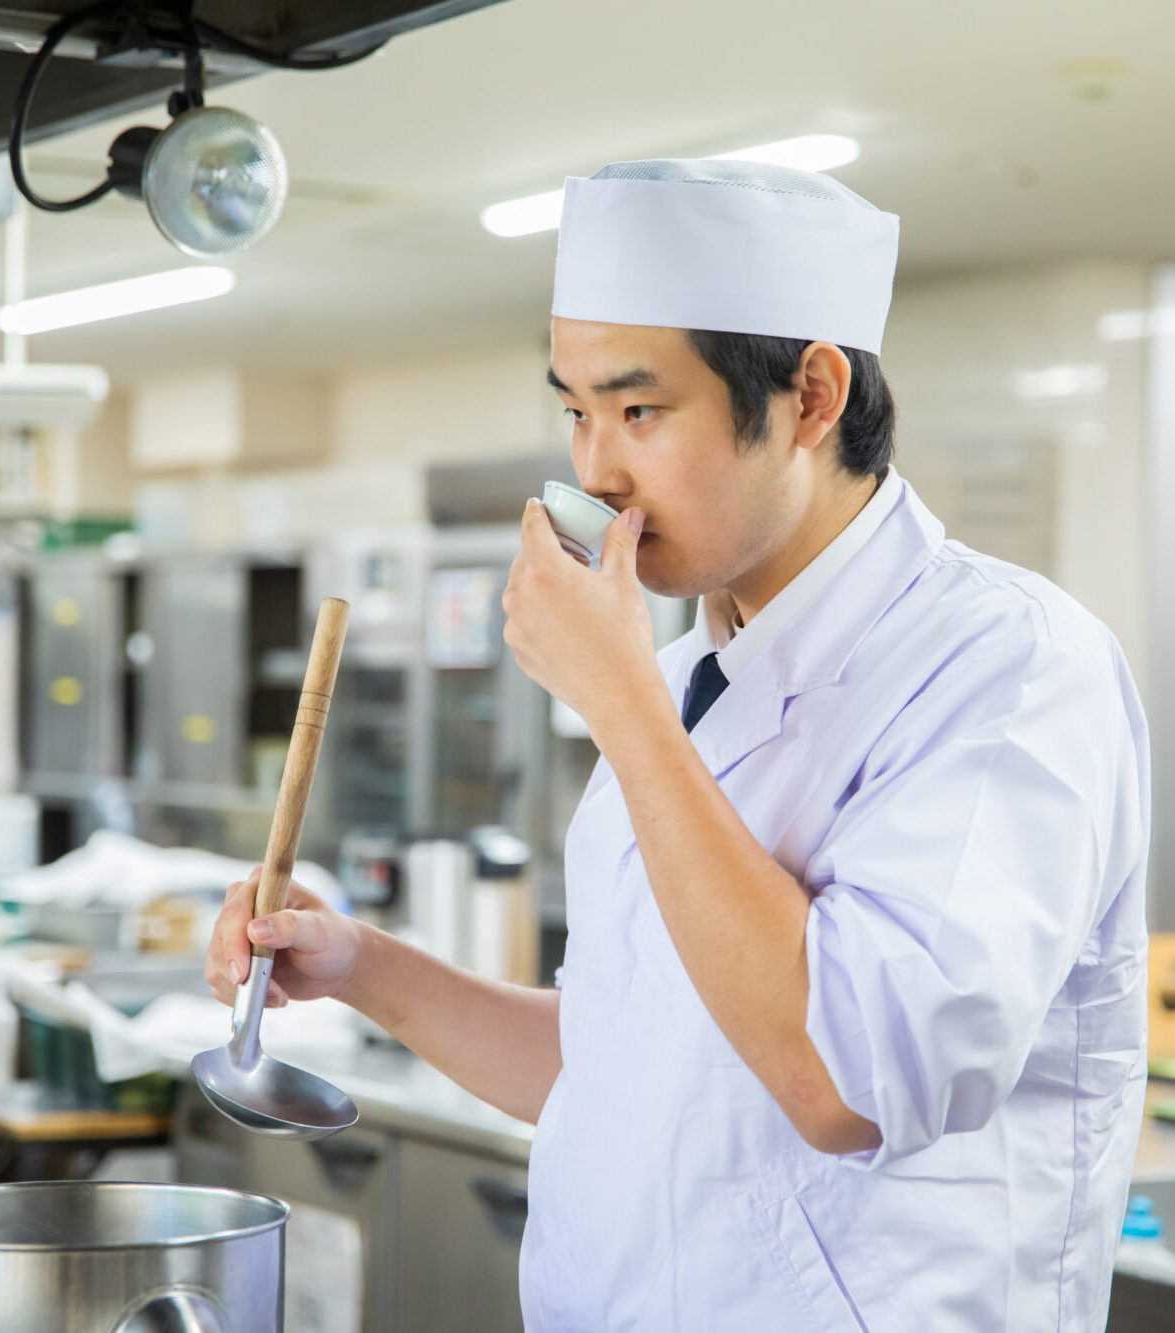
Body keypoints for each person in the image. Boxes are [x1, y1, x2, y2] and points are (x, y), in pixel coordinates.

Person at [206, 159, 1150, 1330]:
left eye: (639, 410)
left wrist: (622, 710)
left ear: (810, 397)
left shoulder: (1009, 665)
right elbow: (622, 1069)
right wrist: (361, 967)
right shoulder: (683, 682)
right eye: (575, 411)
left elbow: (847, 1085)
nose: (594, 472)